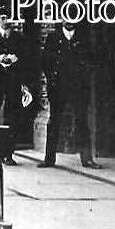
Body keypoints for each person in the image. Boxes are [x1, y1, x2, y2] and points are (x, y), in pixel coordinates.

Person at [39, 21, 102, 169]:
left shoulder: (83, 38)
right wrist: (52, 79)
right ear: (62, 19)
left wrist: (83, 77)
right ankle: (49, 159)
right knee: (54, 122)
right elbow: (45, 61)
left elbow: (91, 61)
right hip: (58, 87)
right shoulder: (53, 37)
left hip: (78, 87)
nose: (69, 21)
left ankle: (87, 159)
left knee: (82, 122)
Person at [0, 8, 29, 165]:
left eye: (9, 18)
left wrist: (15, 60)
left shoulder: (19, 38)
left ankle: (8, 154)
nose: (6, 21)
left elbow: (27, 59)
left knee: (12, 117)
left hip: (12, 82)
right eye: (3, 18)